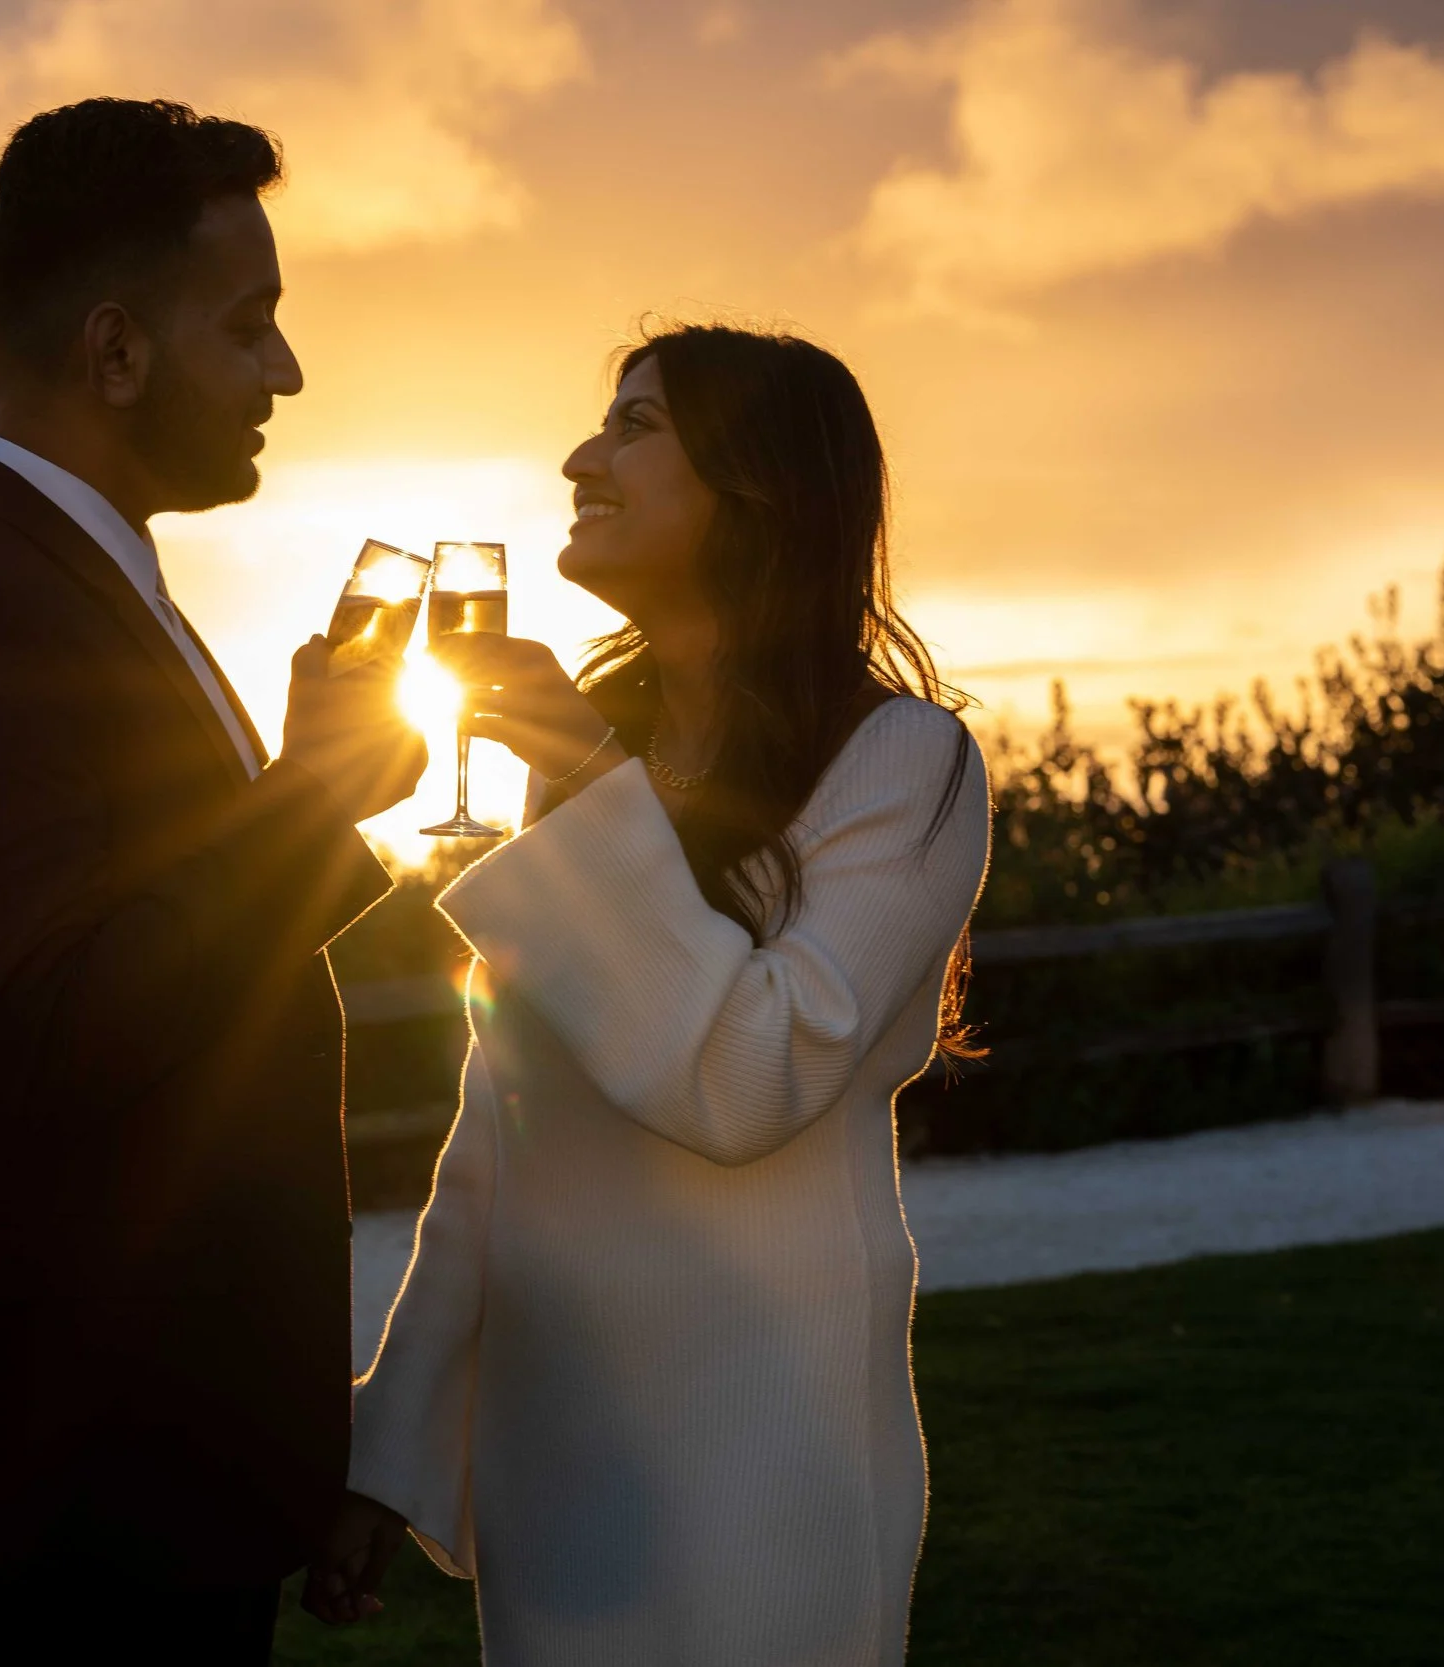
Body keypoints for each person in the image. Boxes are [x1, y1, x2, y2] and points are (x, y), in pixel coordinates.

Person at [0, 98, 427, 1664]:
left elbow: (178, 966)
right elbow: (64, 1027)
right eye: (252, 324)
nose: (284, 371)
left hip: (137, 1493)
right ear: (117, 351)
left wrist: (312, 806)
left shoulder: (90, 587)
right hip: (39, 1523)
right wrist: (314, 802)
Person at [309, 324, 992, 1665]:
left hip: (763, 1461)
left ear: (760, 487)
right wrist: (390, 1449)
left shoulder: (904, 763)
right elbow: (501, 1135)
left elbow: (749, 1079)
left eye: (635, 426)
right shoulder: (596, 773)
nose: (581, 458)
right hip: (561, 1469)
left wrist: (578, 760)